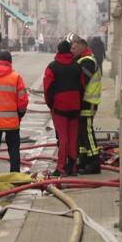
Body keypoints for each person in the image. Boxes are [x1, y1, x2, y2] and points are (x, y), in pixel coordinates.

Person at [43, 40, 84, 176]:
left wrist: (50, 104)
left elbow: (47, 88)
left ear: (58, 50)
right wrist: (78, 101)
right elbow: (82, 86)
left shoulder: (52, 67)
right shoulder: (77, 66)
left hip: (59, 106)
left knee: (63, 137)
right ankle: (72, 167)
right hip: (75, 105)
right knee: (73, 137)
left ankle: (61, 167)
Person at [71, 38, 102, 174]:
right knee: (82, 132)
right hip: (83, 101)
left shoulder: (88, 61)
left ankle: (94, 162)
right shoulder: (82, 59)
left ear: (83, 47)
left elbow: (81, 81)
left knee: (87, 131)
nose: (72, 51)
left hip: (87, 101)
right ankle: (84, 160)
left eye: (74, 48)